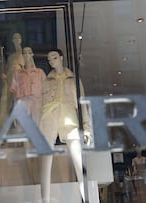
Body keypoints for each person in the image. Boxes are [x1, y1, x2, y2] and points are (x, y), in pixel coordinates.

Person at [39, 49, 91, 203]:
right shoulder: (46, 81)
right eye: (49, 59)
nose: (51, 61)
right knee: (45, 163)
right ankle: (45, 200)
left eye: (54, 57)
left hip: (69, 118)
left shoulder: (74, 79)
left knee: (79, 163)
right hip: (49, 118)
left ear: (61, 58)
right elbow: (39, 105)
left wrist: (87, 127)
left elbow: (82, 104)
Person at [0, 33, 25, 135]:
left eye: (18, 38)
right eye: (14, 38)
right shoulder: (11, 56)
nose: (16, 40)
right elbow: (6, 68)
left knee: (18, 102)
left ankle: (20, 133)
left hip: (18, 77)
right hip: (9, 78)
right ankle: (1, 133)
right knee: (5, 103)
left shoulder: (22, 53)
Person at [10, 47, 46, 125]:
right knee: (22, 127)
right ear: (22, 55)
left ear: (32, 54)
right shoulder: (17, 73)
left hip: (37, 103)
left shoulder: (40, 72)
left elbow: (46, 91)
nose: (27, 54)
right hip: (22, 102)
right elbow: (14, 93)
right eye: (24, 52)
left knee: (37, 126)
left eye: (29, 52)